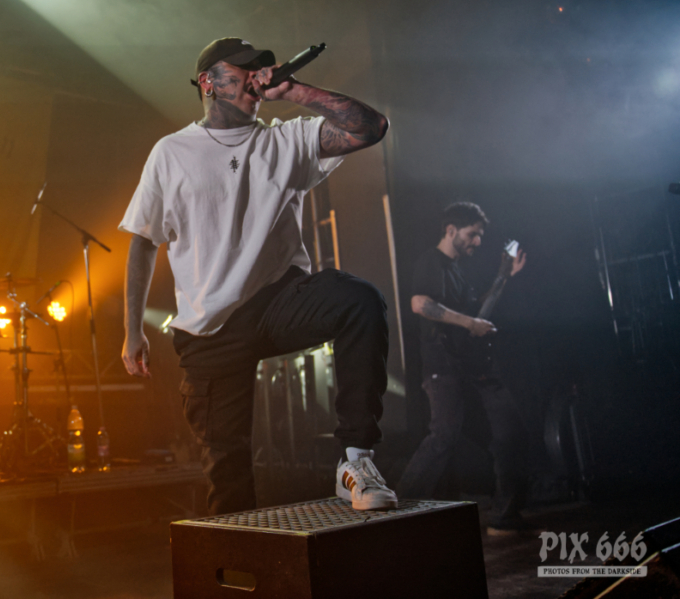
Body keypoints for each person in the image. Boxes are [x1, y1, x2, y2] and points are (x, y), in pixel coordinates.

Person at [119, 37, 394, 515]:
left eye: (259, 69)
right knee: (228, 479)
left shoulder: (285, 140)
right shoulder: (171, 152)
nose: (254, 77)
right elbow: (143, 242)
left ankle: (355, 461)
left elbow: (370, 128)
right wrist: (131, 331)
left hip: (277, 302)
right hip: (210, 329)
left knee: (360, 302)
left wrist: (296, 92)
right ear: (208, 82)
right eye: (241, 69)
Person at [397, 202, 529, 535]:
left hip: (470, 367)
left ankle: (506, 518)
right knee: (444, 435)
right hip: (443, 368)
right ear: (451, 230)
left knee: (508, 433)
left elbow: (478, 315)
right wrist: (470, 323)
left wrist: (503, 277)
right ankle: (395, 511)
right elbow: (420, 303)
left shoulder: (458, 271)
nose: (478, 242)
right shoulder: (431, 261)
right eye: (472, 234)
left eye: (480, 235)